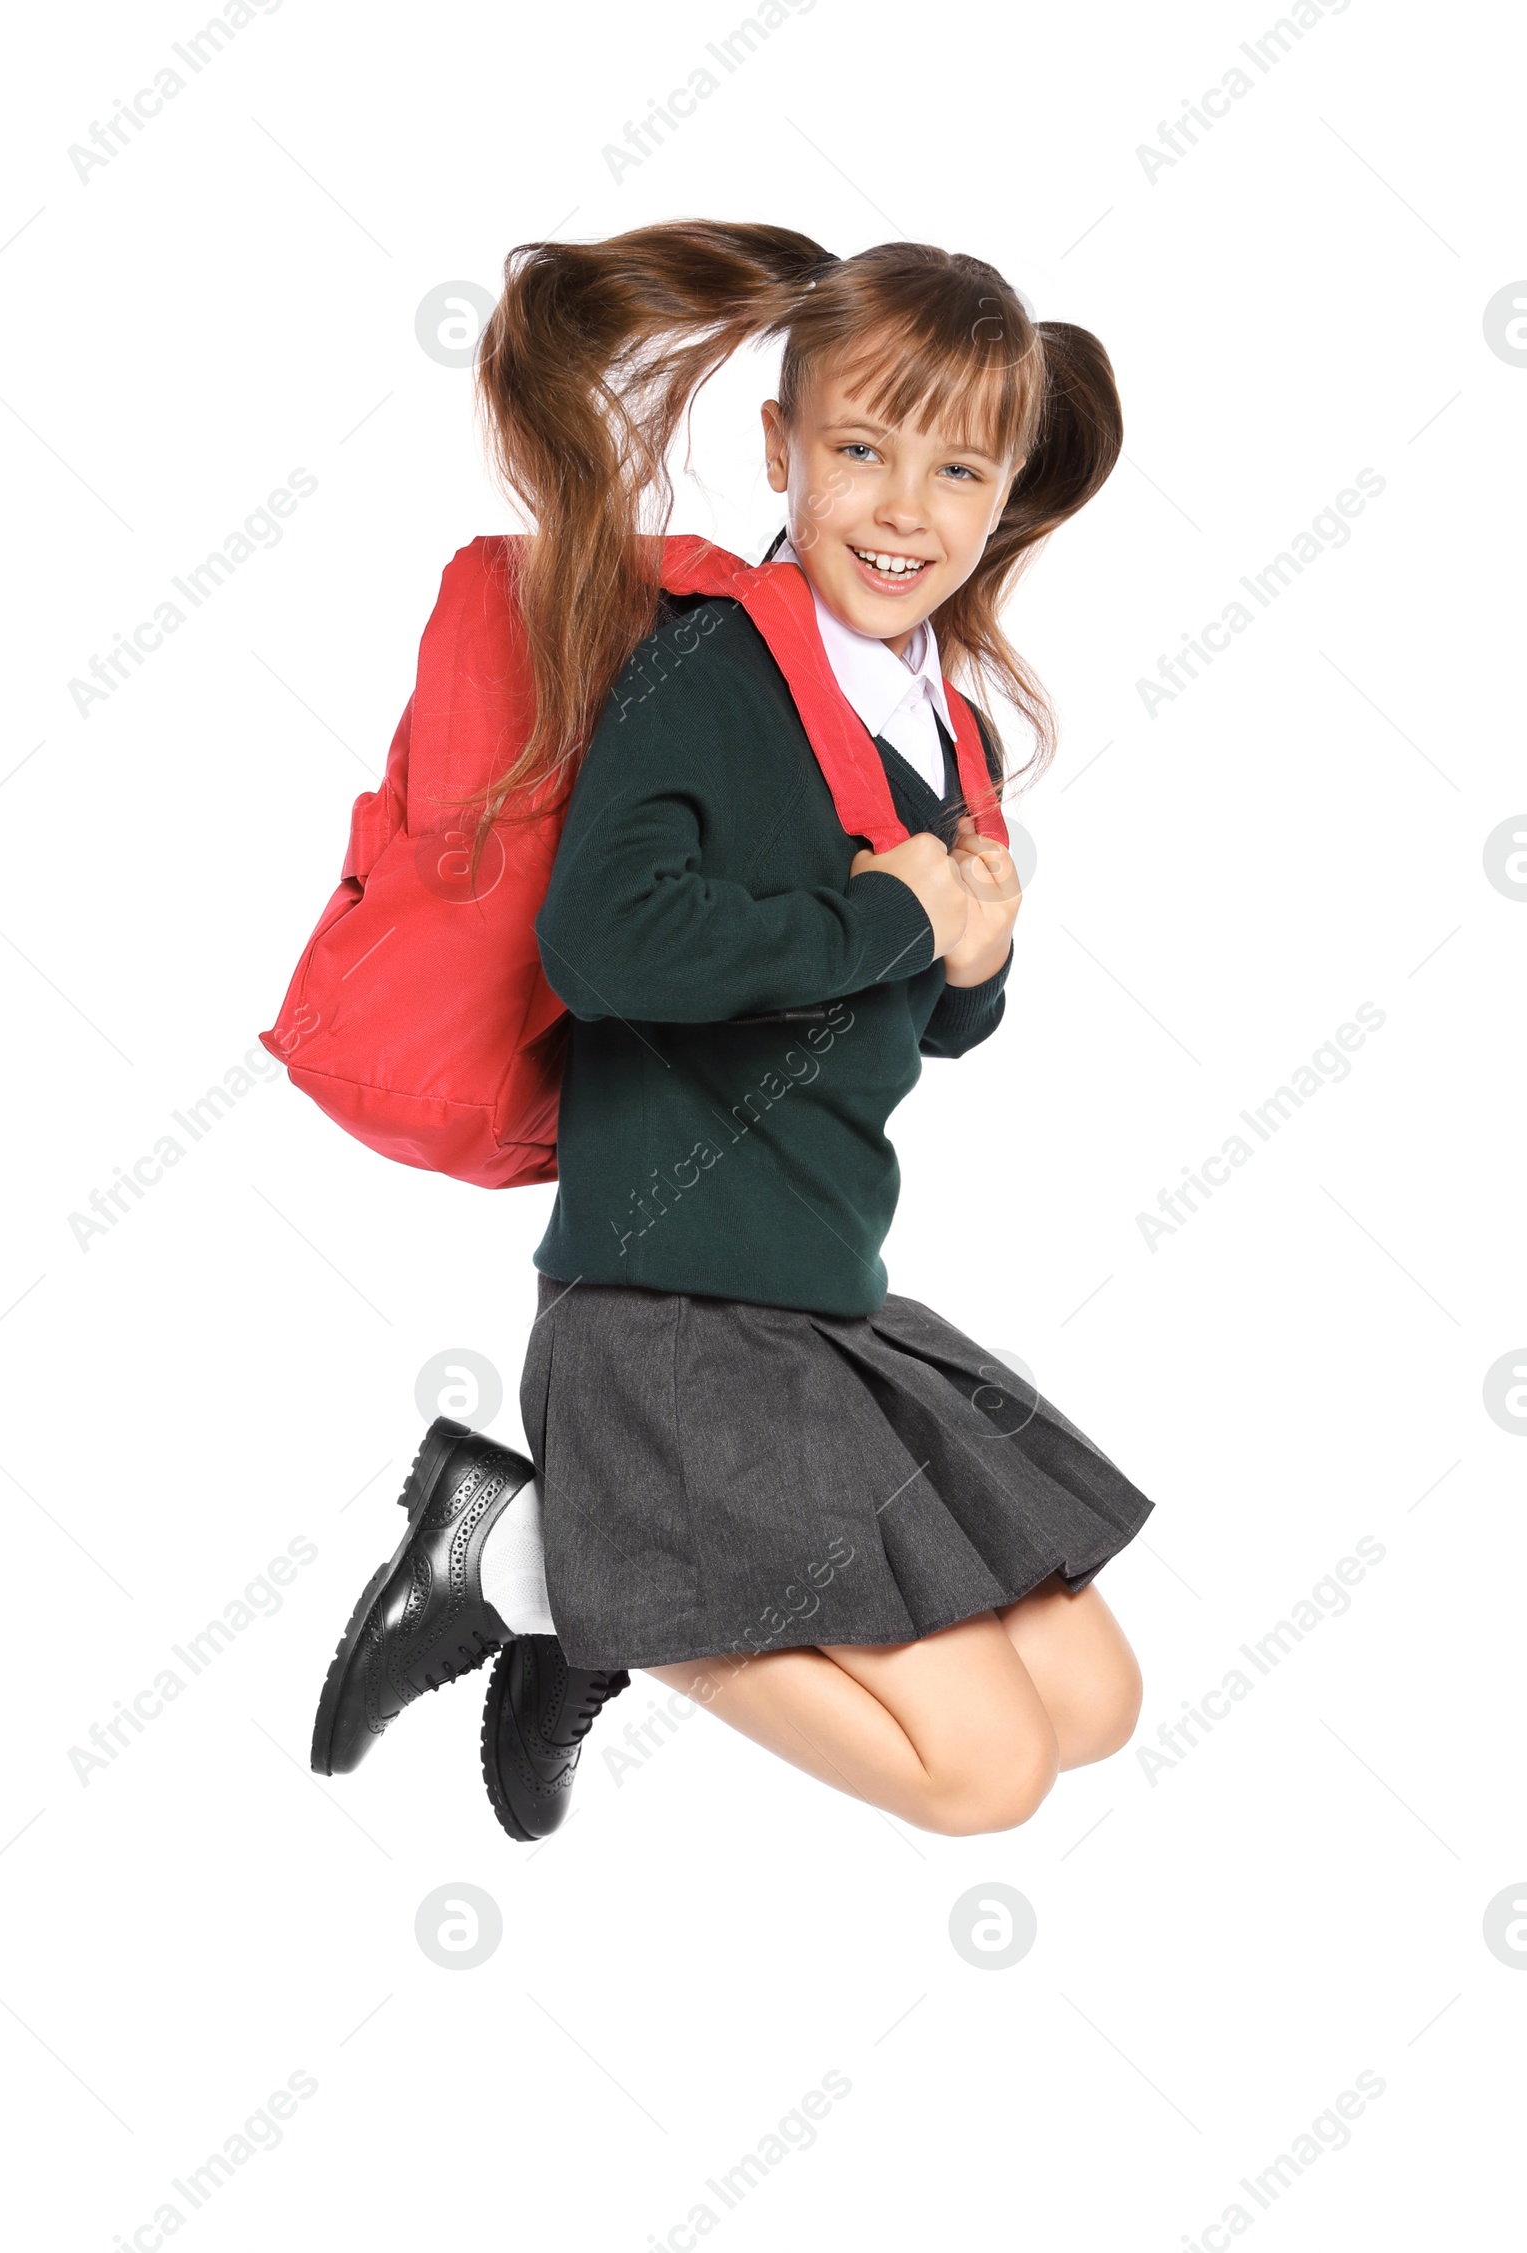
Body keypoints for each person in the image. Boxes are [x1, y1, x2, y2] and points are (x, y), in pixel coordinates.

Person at [311, 221, 1154, 1842]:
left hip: (818, 1303)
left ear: (1007, 493)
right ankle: (538, 1561)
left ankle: (580, 1579)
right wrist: (906, 911)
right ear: (782, 449)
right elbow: (607, 942)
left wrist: (969, 946)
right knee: (986, 1774)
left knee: (1090, 1703)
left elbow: (942, 1020)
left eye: (961, 473)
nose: (909, 511)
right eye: (861, 451)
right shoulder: (713, 668)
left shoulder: (940, 717)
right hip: (674, 1315)